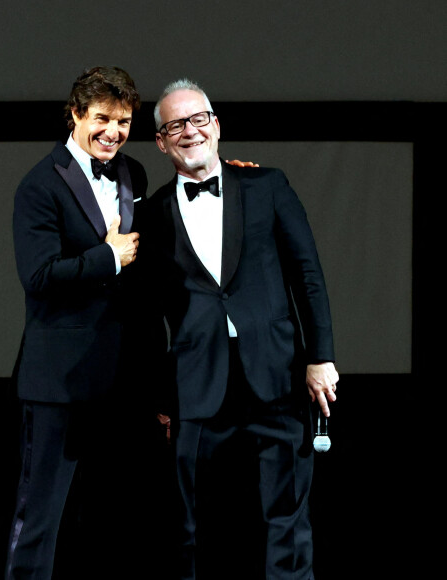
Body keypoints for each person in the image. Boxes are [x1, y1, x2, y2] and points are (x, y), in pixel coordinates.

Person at [146, 79, 340, 579]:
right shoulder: (151, 214)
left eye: (198, 119)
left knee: (287, 523)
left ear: (216, 124)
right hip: (197, 386)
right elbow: (149, 313)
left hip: (276, 375)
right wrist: (162, 396)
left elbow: (308, 275)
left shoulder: (267, 184)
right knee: (191, 529)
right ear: (162, 142)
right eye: (175, 125)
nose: (190, 131)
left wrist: (321, 357)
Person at [5, 66, 155, 580]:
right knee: (41, 516)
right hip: (59, 382)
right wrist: (107, 258)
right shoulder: (39, 185)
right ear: (74, 114)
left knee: (111, 518)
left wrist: (232, 174)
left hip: (119, 380)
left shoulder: (133, 172)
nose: (113, 132)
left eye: (123, 121)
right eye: (102, 119)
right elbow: (39, 276)